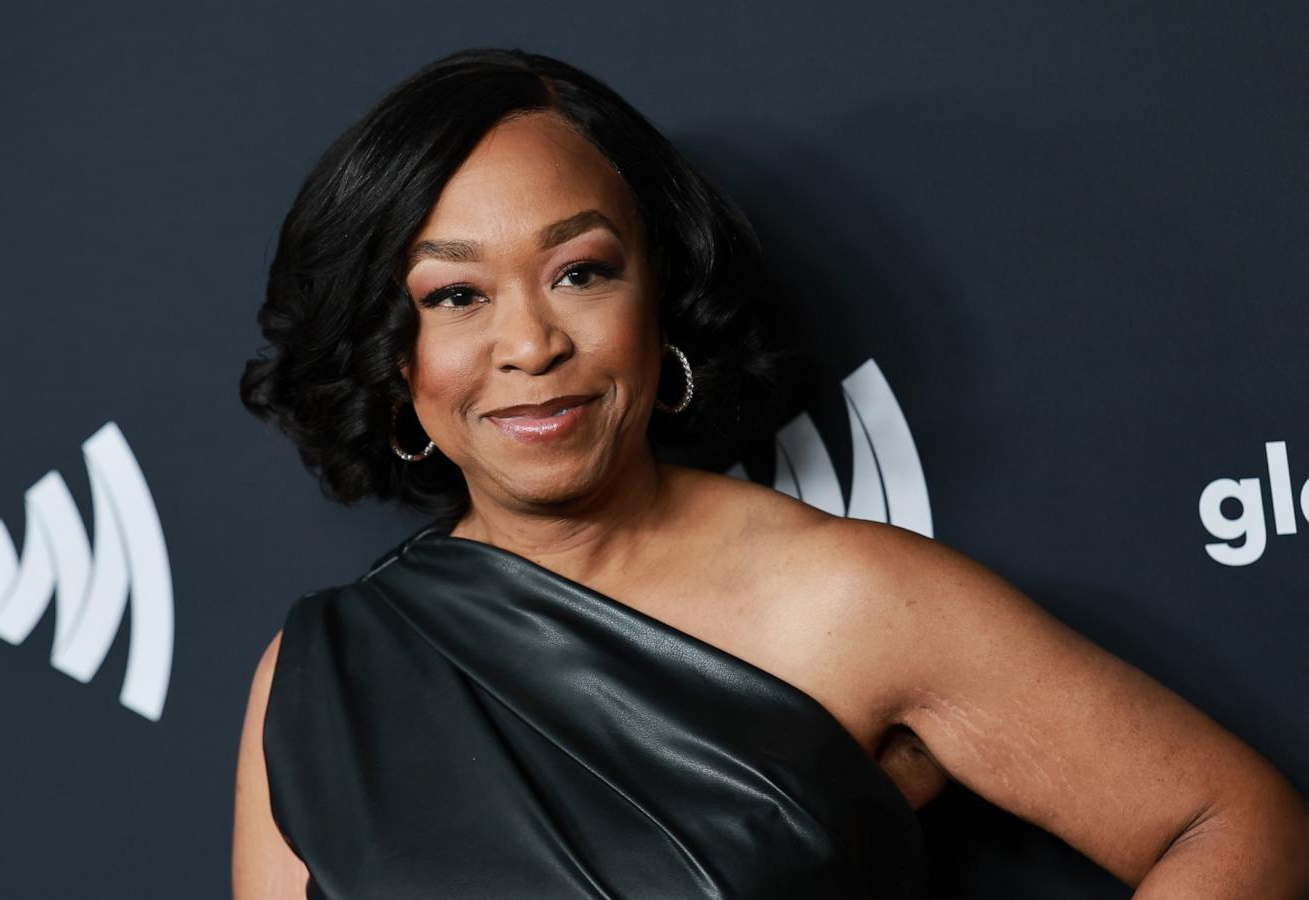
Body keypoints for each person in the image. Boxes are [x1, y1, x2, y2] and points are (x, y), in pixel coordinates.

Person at [231, 47, 1309, 899]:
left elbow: (1229, 822)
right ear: (390, 352)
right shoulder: (320, 675)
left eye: (580, 272)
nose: (530, 343)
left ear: (660, 301)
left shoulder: (852, 600)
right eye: (454, 295)